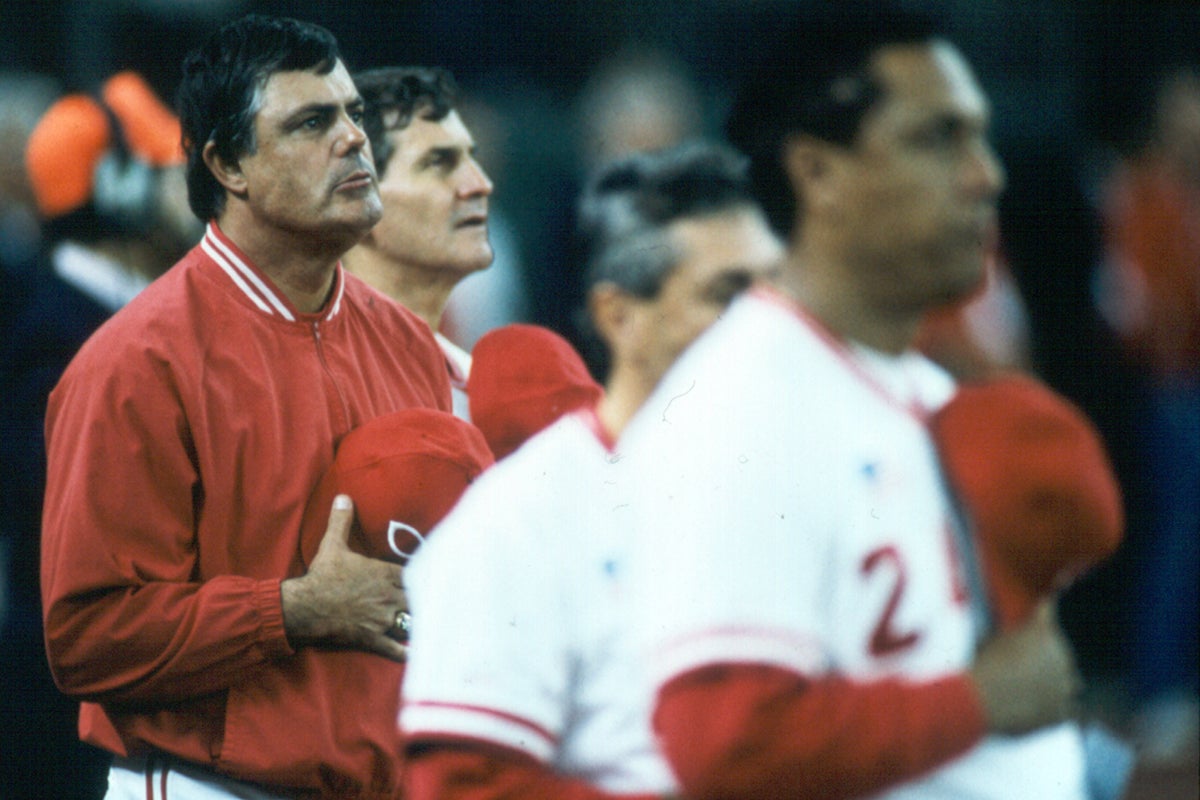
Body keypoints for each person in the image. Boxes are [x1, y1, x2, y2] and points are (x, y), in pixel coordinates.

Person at [620, 5, 1101, 798]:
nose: (986, 174)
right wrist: (979, 704)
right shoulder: (741, 410)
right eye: (935, 138)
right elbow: (722, 745)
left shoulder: (916, 390)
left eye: (978, 134)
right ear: (817, 172)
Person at [40, 15, 450, 798]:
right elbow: (85, 637)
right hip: (209, 784)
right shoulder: (136, 359)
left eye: (354, 113)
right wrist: (292, 610)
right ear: (228, 165)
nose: (353, 139)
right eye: (312, 121)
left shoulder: (405, 341)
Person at [399, 140, 783, 798]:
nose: (765, 323)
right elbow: (464, 784)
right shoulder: (519, 522)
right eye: (726, 294)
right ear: (620, 315)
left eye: (775, 293)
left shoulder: (798, 486)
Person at [3, 69, 196, 800]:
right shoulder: (52, 325)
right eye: (172, 173)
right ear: (117, 186)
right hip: (64, 704)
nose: (192, 195)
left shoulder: (102, 311)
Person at [343, 66, 494, 418]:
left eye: (472, 158)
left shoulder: (477, 386)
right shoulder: (312, 382)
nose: (480, 183)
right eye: (439, 163)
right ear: (356, 202)